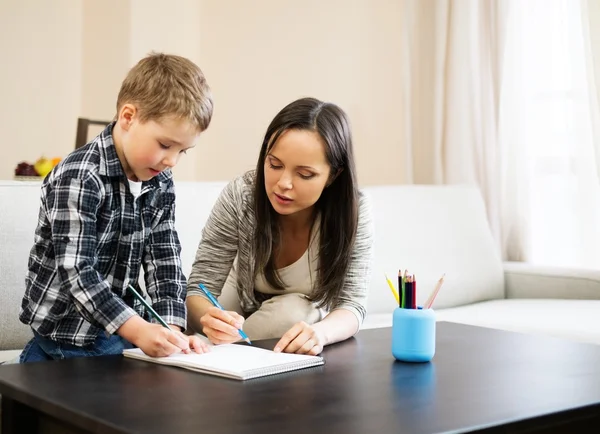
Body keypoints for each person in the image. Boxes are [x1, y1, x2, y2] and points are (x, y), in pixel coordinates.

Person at [19, 53, 213, 363]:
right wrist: (138, 331)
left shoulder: (159, 180)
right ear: (128, 117)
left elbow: (164, 258)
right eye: (165, 145)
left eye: (182, 151)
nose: (171, 161)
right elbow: (78, 272)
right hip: (65, 340)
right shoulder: (80, 176)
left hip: (116, 333)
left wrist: (170, 328)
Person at [186, 97, 373, 356]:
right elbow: (199, 287)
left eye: (305, 174)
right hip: (237, 296)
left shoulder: (353, 213)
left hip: (297, 312)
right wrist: (208, 317)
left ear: (334, 174)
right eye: (274, 165)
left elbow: (352, 305)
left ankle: (223, 354)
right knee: (203, 314)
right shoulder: (241, 196)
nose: (283, 183)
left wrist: (320, 333)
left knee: (294, 313)